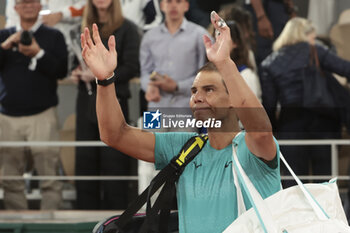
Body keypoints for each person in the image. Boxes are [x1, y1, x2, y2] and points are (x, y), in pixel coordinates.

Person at [81, 11, 281, 232]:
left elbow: (261, 132)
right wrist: (105, 80)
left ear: (233, 100)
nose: (197, 97)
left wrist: (224, 63)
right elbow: (114, 134)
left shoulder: (249, 147)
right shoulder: (186, 146)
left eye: (209, 90)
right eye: (194, 91)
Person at [260, 17, 350, 187]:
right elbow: (346, 69)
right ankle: (325, 214)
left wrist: (272, 133)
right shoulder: (315, 51)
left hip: (291, 127)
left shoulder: (269, 63)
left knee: (292, 184)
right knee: (325, 184)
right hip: (323, 124)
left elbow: (269, 105)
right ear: (306, 34)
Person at [71, 0, 140, 210]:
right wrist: (77, 72)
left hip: (115, 99)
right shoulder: (78, 28)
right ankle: (85, 216)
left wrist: (102, 74)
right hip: (86, 101)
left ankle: (116, 219)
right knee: (85, 161)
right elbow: (72, 63)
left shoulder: (128, 28)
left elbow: (131, 67)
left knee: (115, 163)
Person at [0, 0, 67, 209]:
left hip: (42, 114)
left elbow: (61, 71)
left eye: (33, 2)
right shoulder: (4, 36)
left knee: (49, 177)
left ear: (40, 6)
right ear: (15, 8)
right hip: (7, 117)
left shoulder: (54, 36)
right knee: (9, 179)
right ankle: (17, 224)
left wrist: (39, 53)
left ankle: (50, 226)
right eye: (23, 2)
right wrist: (6, 45)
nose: (28, 5)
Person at [140, 0, 209, 113]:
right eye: (169, 1)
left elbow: (206, 75)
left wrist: (178, 86)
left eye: (178, 1)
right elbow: (145, 72)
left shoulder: (200, 35)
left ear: (186, 6)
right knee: (150, 132)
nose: (173, 6)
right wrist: (149, 86)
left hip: (187, 106)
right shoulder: (149, 37)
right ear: (162, 6)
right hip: (156, 105)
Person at [6, 0, 86, 73]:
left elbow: (87, 6)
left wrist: (62, 14)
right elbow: (12, 17)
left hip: (68, 47)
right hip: (25, 44)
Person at [244, 0, 296, 66]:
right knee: (266, 60)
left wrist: (291, 9)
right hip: (263, 9)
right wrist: (261, 17)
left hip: (281, 8)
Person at [225, 20, 261, 101]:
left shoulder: (246, 75)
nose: (218, 42)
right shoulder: (212, 72)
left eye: (224, 39)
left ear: (235, 43)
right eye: (216, 37)